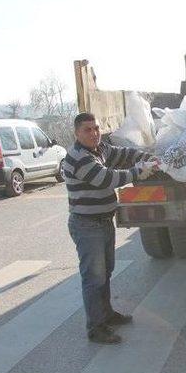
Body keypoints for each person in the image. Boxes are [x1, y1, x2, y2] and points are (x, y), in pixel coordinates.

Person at [63, 112, 157, 344]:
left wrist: (146, 157)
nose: (94, 133)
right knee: (93, 278)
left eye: (96, 128)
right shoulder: (78, 157)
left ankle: (106, 314)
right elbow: (107, 179)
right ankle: (96, 328)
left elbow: (122, 154)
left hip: (103, 222)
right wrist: (139, 171)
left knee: (104, 274)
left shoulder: (100, 149)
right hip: (87, 226)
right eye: (87, 130)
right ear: (76, 134)